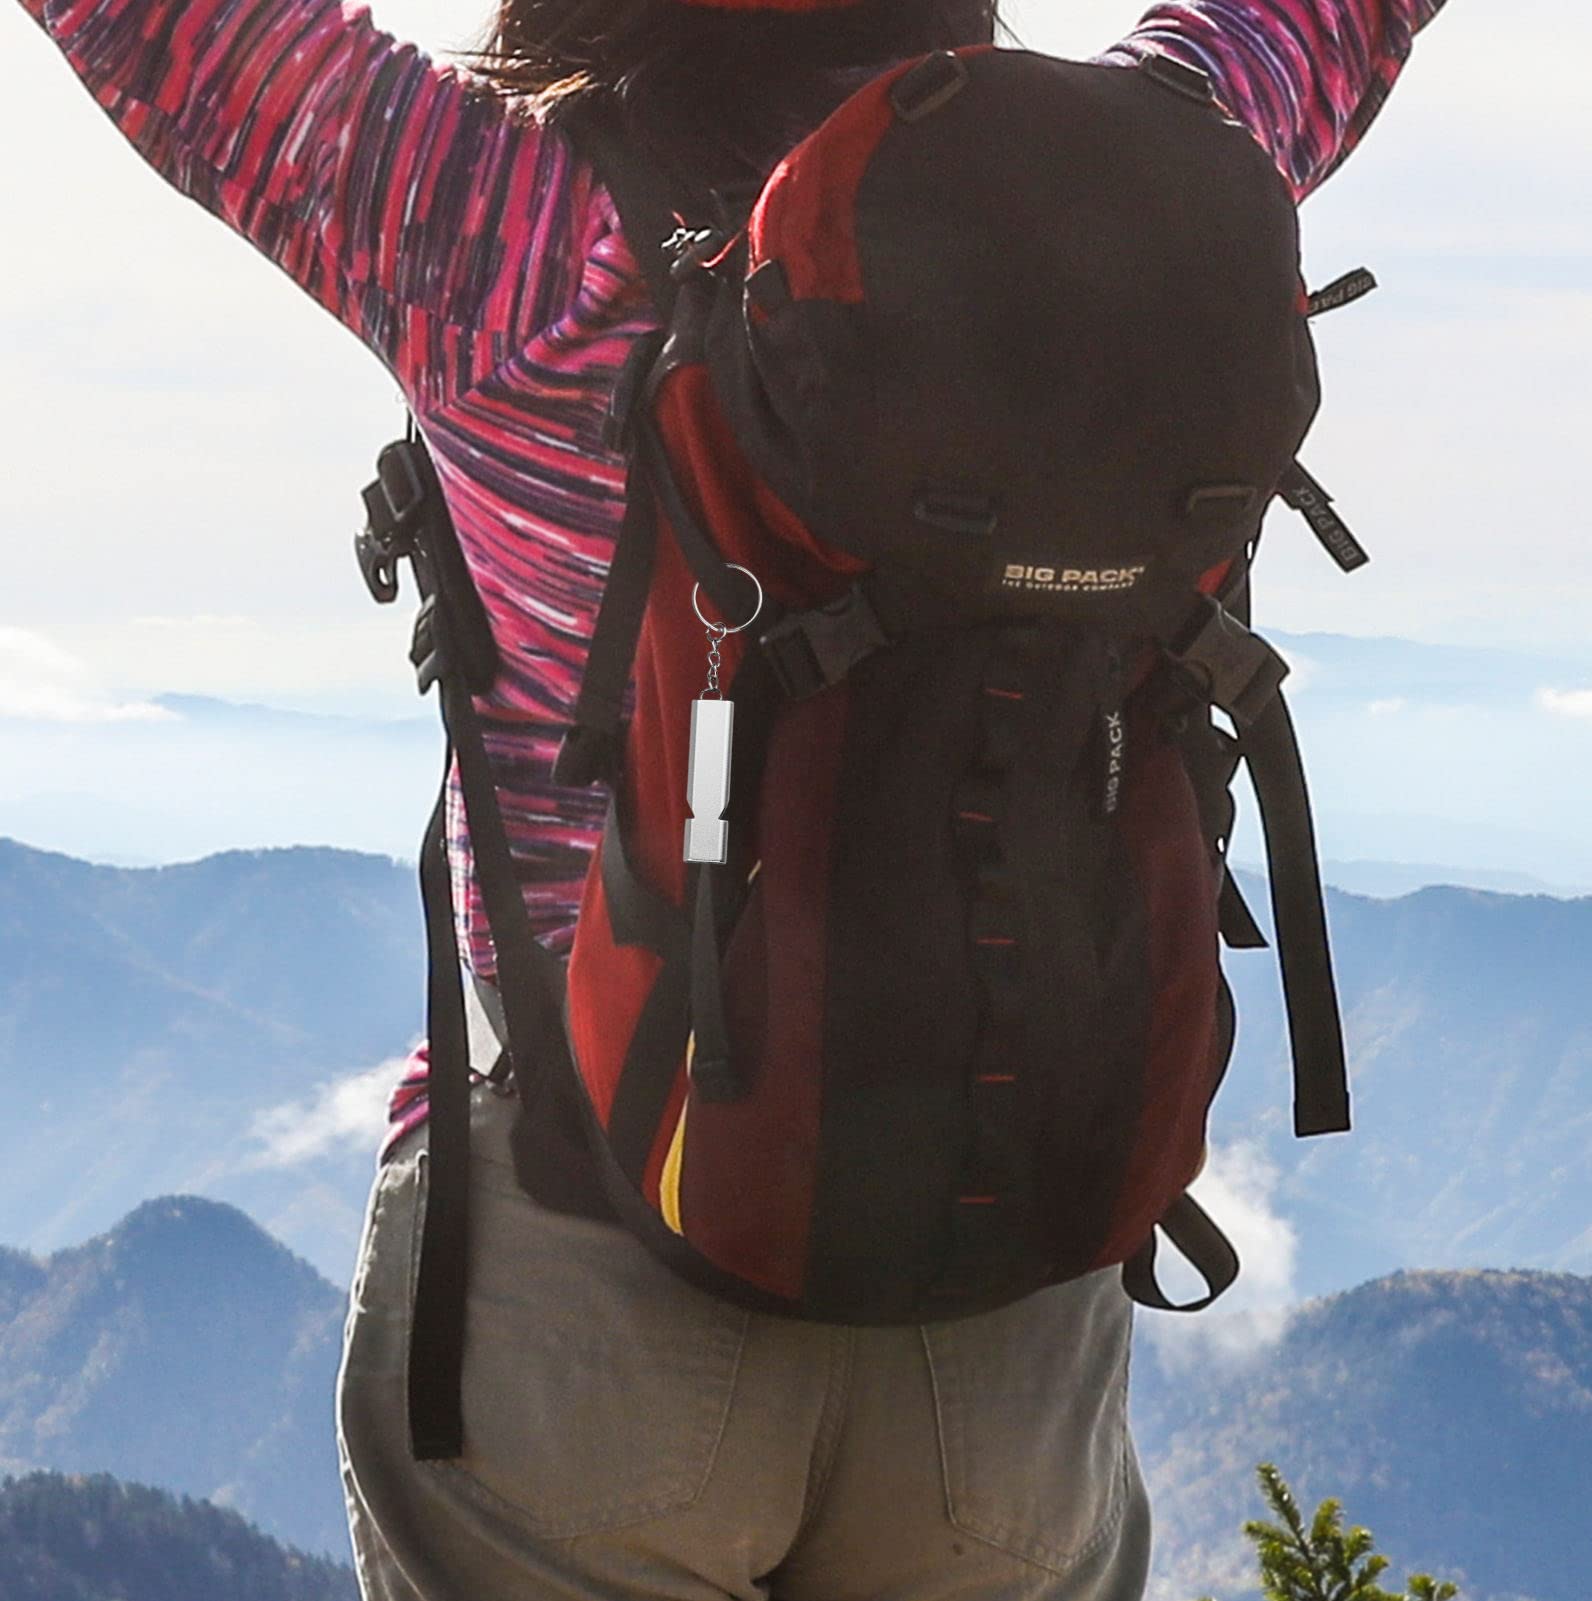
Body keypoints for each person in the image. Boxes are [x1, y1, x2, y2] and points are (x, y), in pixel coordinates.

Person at [16, 0, 1450, 1592]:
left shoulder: (489, 227)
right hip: (1008, 1264)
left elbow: (168, 31)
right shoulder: (1145, 180)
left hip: (579, 1261)